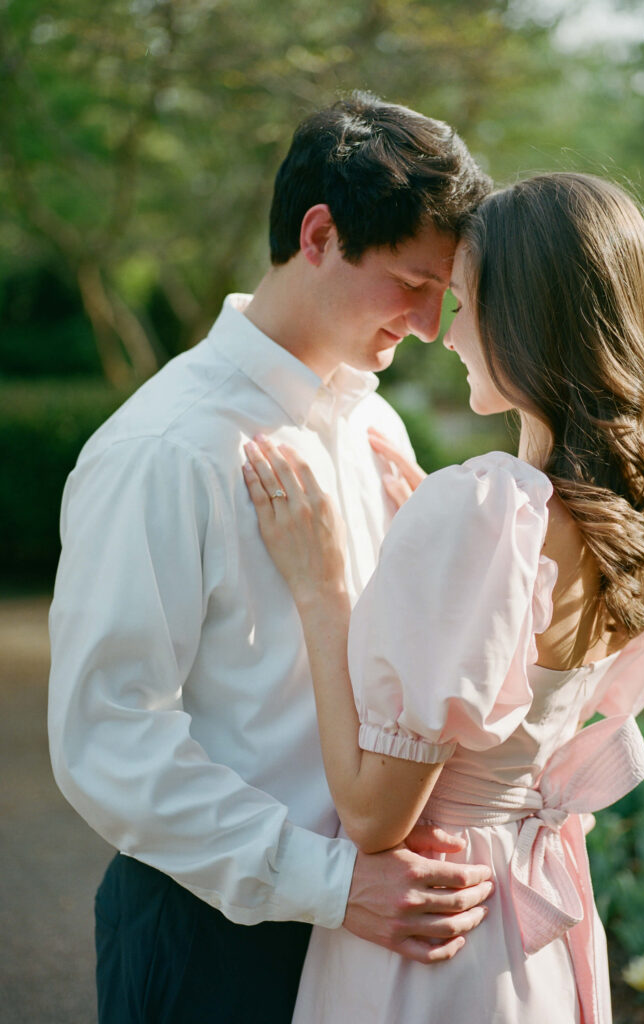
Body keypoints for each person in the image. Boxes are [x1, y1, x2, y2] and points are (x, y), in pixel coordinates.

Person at [47, 92, 495, 1024]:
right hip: (213, 936)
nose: (425, 322)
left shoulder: (375, 421)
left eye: (441, 295)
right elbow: (108, 736)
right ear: (321, 234)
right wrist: (328, 882)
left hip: (365, 936)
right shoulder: (164, 449)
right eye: (412, 281)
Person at [241, 172, 644, 1023]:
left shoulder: (486, 511)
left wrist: (323, 586)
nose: (443, 335)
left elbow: (376, 817)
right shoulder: (638, 509)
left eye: (461, 302)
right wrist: (434, 530)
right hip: (533, 927)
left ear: (526, 317)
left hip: (437, 932)